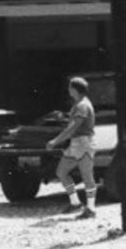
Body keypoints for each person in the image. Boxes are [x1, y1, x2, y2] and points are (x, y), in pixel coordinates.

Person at [48, 76, 97, 218]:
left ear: (74, 89)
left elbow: (73, 128)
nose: (68, 89)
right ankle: (75, 203)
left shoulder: (82, 105)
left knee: (87, 176)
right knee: (61, 172)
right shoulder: (79, 104)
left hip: (84, 144)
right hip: (76, 144)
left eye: (70, 87)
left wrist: (55, 141)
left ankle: (91, 209)